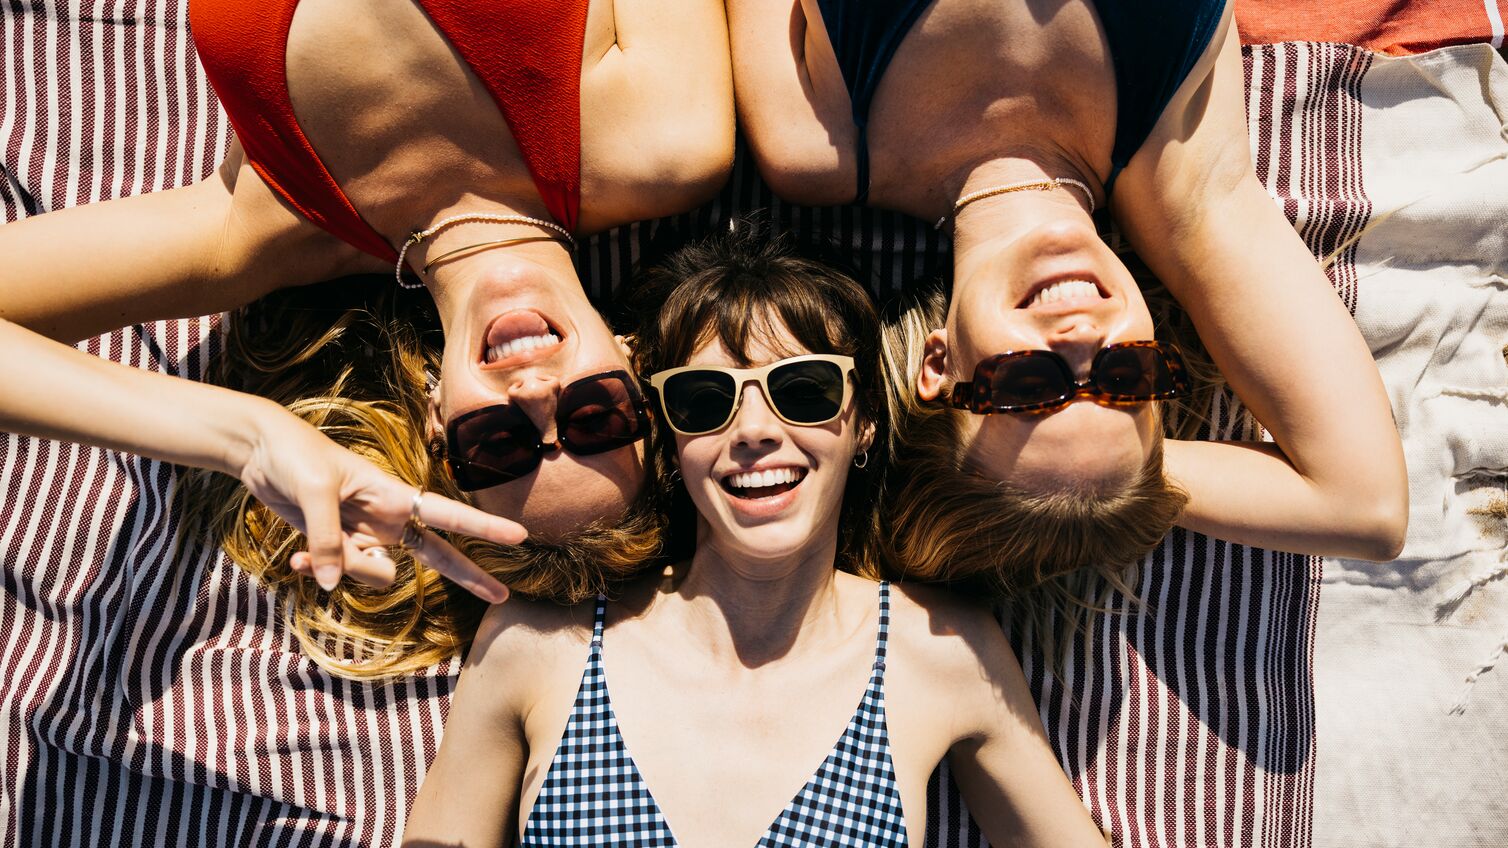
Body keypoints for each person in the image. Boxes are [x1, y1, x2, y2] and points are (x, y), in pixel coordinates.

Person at [0, 0, 735, 673]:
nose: (539, 393)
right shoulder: (666, 144)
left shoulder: (267, 231)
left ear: (436, 417)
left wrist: (249, 438)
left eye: (500, 445)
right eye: (594, 418)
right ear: (638, 367)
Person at [401, 229, 1109, 847]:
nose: (756, 431)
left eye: (804, 390)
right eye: (704, 401)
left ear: (863, 422)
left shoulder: (941, 653)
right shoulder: (537, 645)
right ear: (670, 438)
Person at [726, 0, 1408, 613]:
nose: (1082, 340)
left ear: (937, 365)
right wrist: (1105, 485)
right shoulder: (1181, 182)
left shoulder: (817, 141)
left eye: (1028, 387)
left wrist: (1091, 467)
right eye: (1124, 381)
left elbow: (1362, 511)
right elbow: (1364, 507)